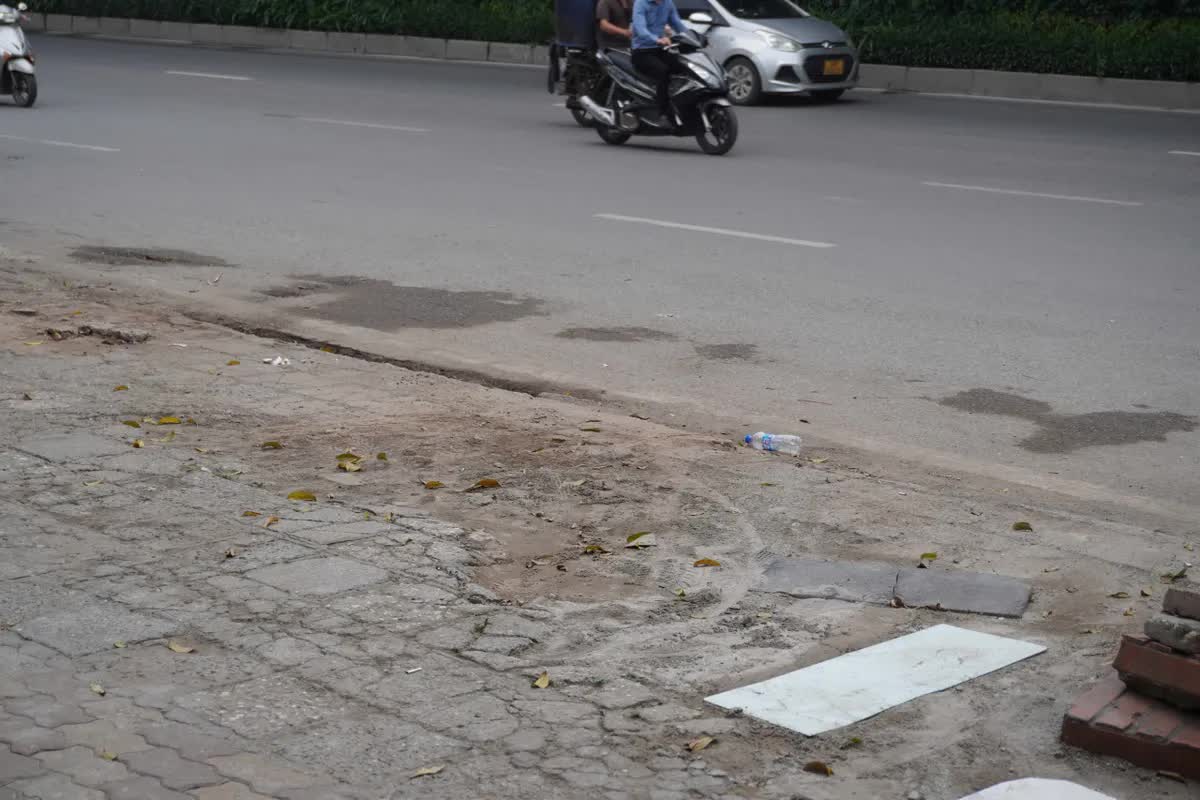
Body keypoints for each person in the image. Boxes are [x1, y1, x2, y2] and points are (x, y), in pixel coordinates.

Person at [631, 0, 687, 125]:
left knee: (684, 67)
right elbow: (640, 29)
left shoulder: (667, 3)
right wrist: (657, 39)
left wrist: (694, 37)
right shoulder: (641, 3)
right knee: (663, 72)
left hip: (661, 49)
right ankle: (662, 113)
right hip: (641, 52)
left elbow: (677, 24)